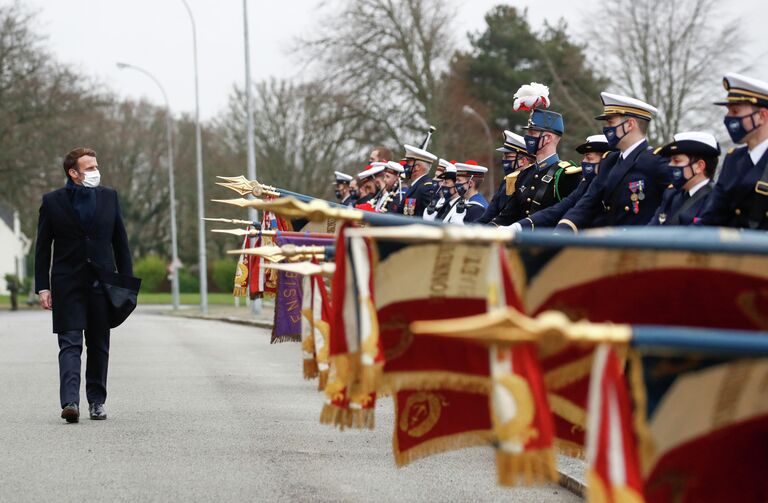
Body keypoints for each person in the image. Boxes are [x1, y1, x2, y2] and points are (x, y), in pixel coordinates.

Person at [34, 147, 133, 423]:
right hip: (67, 284)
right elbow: (42, 248)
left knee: (99, 344)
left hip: (102, 283)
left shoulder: (109, 198)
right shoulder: (52, 202)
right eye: (89, 168)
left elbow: (120, 244)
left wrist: (126, 284)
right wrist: (42, 286)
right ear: (73, 173)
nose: (95, 172)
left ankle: (97, 401)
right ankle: (70, 403)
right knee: (69, 344)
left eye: (96, 166)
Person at [555, 92, 669, 233]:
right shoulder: (609, 162)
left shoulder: (655, 162)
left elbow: (670, 209)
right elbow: (587, 204)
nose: (606, 129)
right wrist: (562, 229)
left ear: (630, 125)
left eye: (610, 123)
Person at [698, 73, 768, 230]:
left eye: (735, 111)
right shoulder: (733, 159)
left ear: (762, 116)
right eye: (728, 111)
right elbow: (712, 218)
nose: (728, 118)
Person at [491, 109, 580, 226]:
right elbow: (507, 216)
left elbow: (570, 217)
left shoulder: (565, 175)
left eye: (532, 133)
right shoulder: (524, 175)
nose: (527, 137)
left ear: (547, 138)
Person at [507, 135, 613, 231]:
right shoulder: (586, 184)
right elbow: (561, 208)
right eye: (584, 157)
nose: (583, 162)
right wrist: (519, 226)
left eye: (589, 158)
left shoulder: (615, 184)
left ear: (606, 161)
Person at [649, 132, 718, 226]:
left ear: (699, 166)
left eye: (676, 161)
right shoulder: (671, 194)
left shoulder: (715, 200)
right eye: (670, 161)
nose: (670, 165)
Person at [475, 130, 535, 224]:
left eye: (507, 157)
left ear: (523, 161)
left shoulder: (531, 183)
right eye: (503, 157)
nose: (504, 161)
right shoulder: (506, 182)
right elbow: (487, 217)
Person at [398, 144, 437, 216]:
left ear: (417, 167)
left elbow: (428, 216)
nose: (405, 166)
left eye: (408, 163)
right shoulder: (416, 185)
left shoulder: (426, 188)